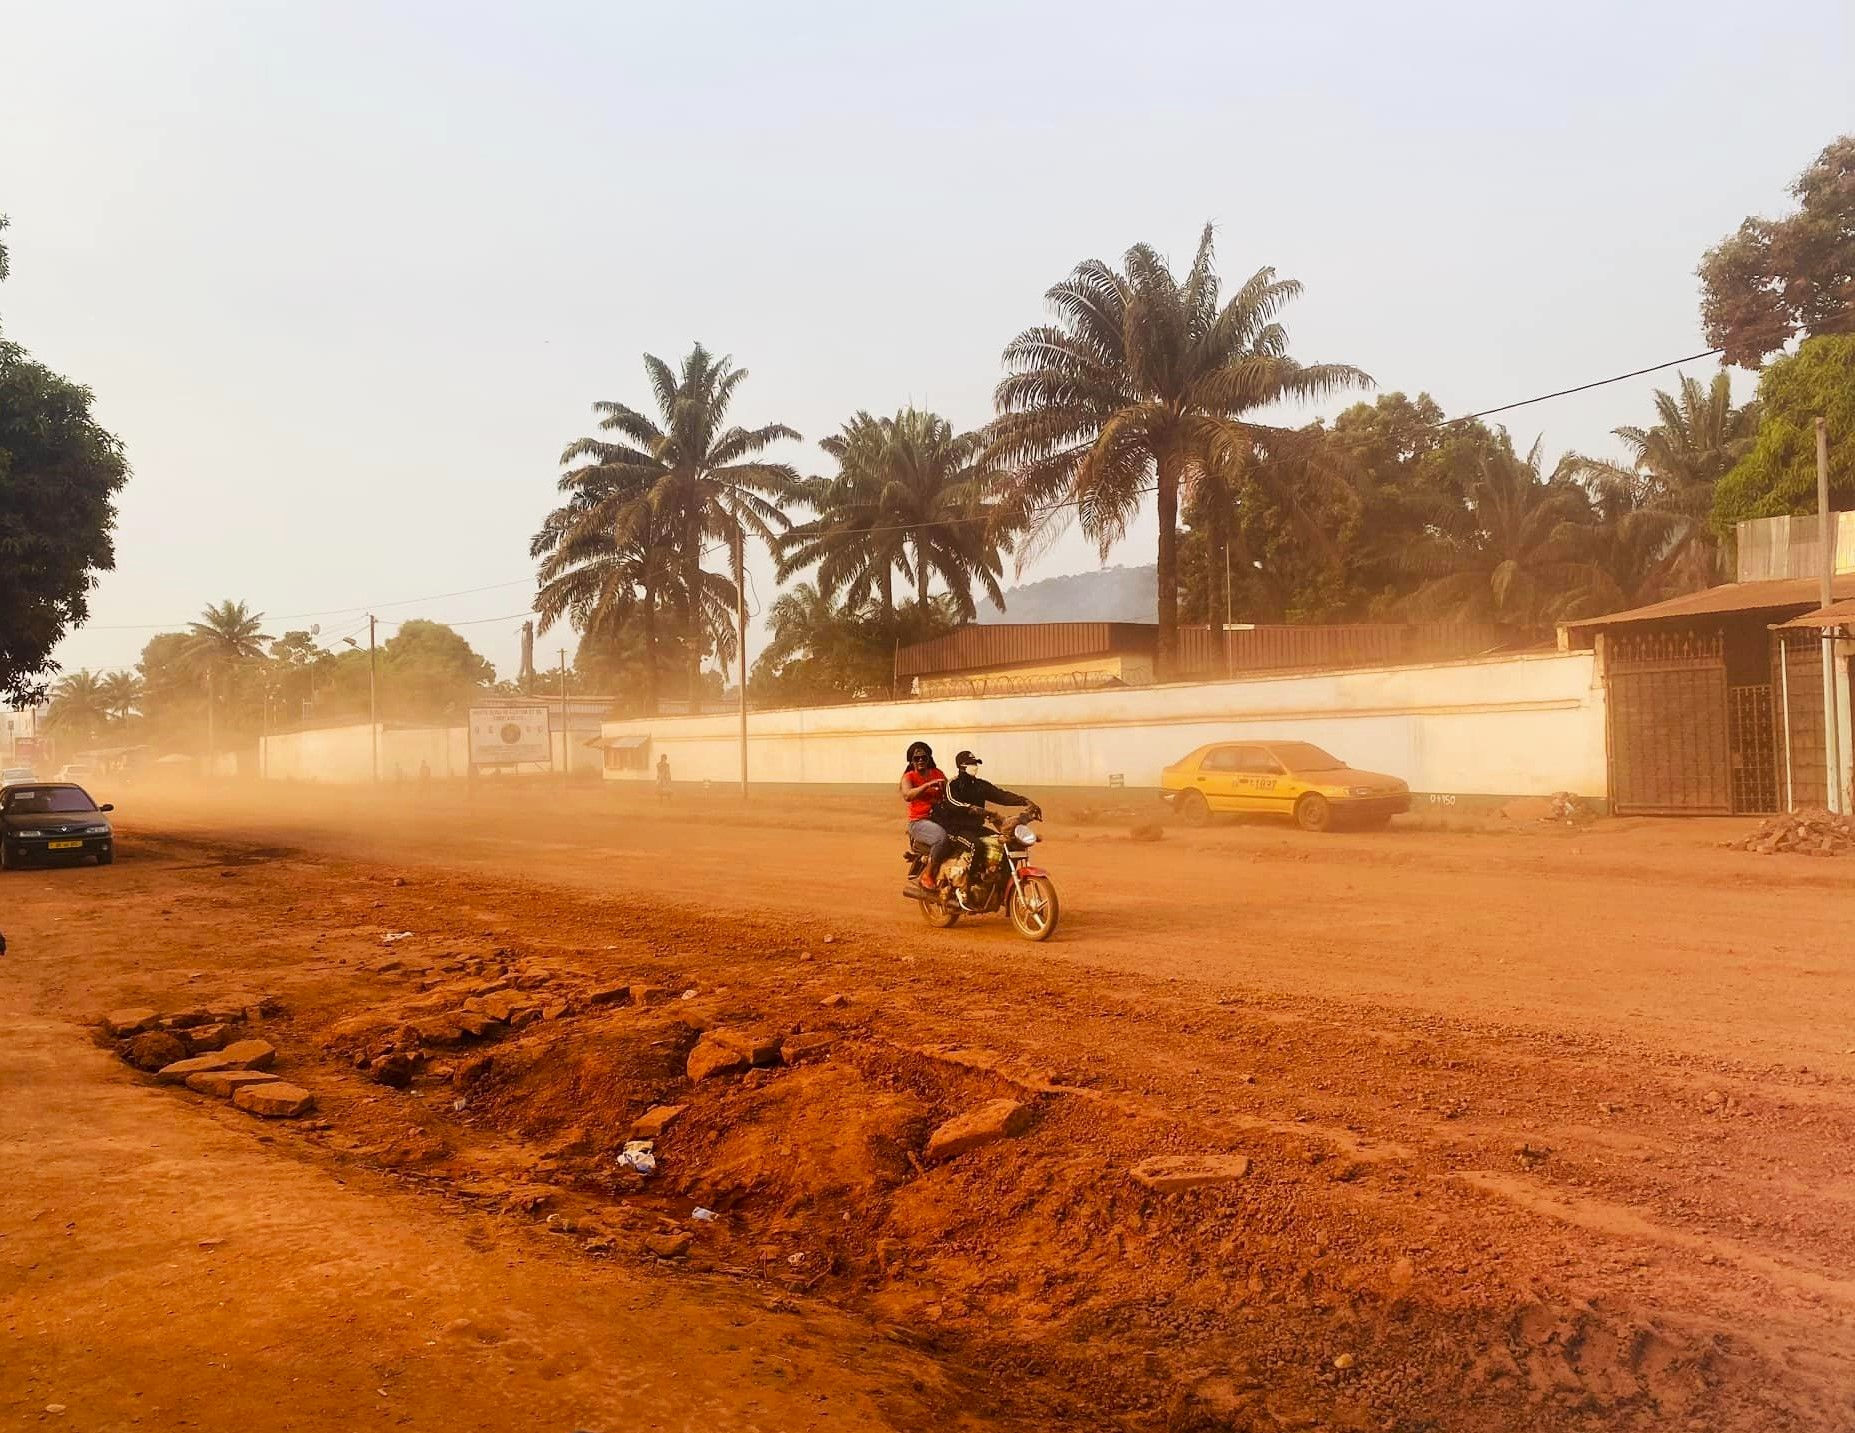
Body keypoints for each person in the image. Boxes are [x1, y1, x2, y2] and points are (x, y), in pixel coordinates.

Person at [937, 750, 1039, 885]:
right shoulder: (953, 784)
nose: (974, 766)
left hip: (976, 828)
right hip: (956, 829)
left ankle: (1001, 884)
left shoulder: (980, 785)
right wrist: (970, 807)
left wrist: (1025, 801)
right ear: (961, 766)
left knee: (1007, 843)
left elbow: (1001, 796)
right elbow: (952, 802)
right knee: (976, 846)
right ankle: (969, 882)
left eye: (975, 763)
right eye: (971, 764)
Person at [899, 740, 950, 891]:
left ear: (929, 758)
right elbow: (907, 795)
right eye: (917, 758)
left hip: (940, 817)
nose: (920, 760)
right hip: (919, 822)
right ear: (911, 761)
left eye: (923, 757)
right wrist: (927, 785)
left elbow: (950, 791)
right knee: (941, 838)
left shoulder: (937, 773)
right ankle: (927, 875)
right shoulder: (909, 777)